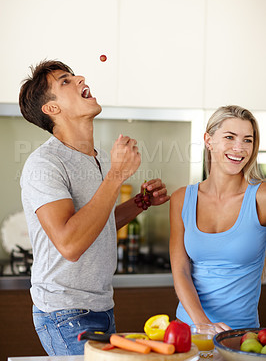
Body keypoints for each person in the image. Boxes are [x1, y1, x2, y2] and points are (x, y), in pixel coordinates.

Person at [19, 60, 170, 356]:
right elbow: (71, 243)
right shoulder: (45, 164)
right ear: (52, 109)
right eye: (65, 81)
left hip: (99, 307)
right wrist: (116, 175)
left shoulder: (92, 158)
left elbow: (95, 224)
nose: (80, 79)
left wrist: (140, 203)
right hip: (65, 313)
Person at [170, 105, 266, 333]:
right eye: (230, 137)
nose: (239, 148)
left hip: (241, 337)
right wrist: (202, 324)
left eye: (247, 140)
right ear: (208, 140)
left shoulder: (260, 198)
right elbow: (181, 270)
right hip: (188, 330)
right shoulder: (182, 198)